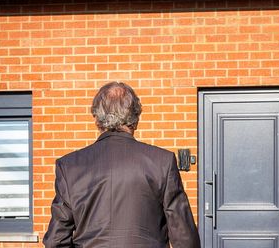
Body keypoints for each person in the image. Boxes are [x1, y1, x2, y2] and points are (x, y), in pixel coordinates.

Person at [43, 81, 201, 248]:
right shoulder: (162, 162)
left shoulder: (70, 167)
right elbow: (184, 238)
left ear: (97, 119)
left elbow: (56, 241)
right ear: (135, 118)